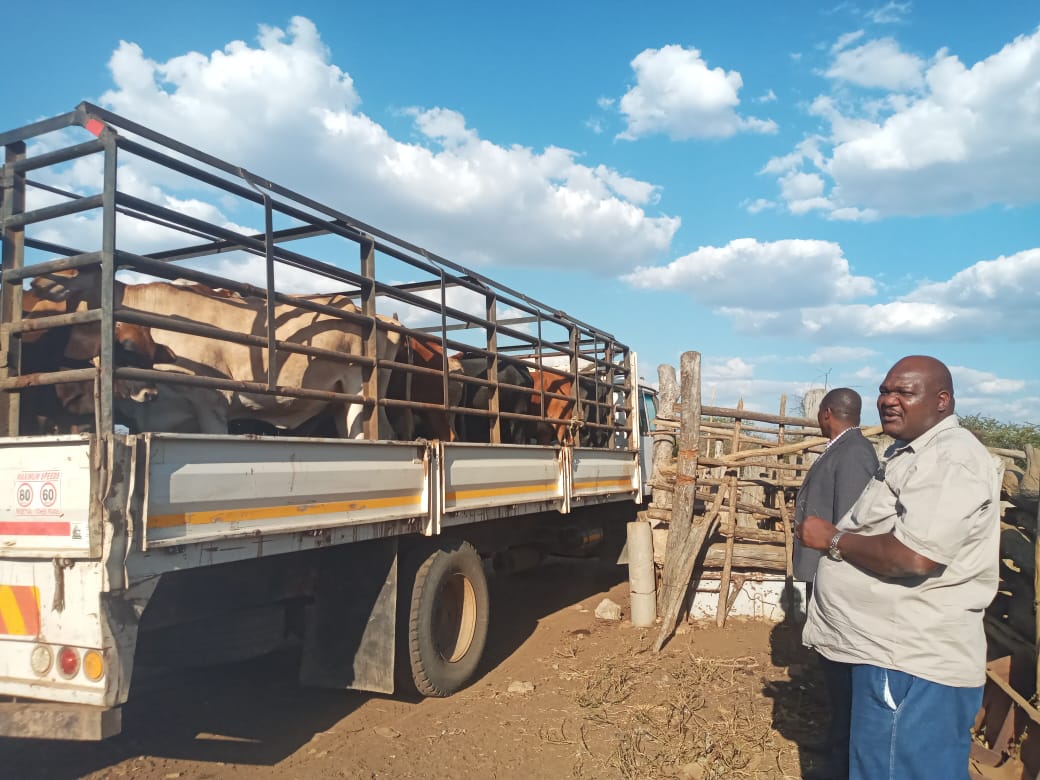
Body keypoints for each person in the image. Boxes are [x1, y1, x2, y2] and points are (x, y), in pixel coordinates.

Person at [797, 355, 1000, 780]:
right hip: (893, 654)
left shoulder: (950, 458)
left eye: (904, 392)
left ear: (943, 401)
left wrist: (832, 539)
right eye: (885, 391)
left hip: (910, 662)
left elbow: (915, 556)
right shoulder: (913, 452)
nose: (889, 400)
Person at [792, 388, 878, 779]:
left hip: (837, 573)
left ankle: (843, 760)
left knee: (843, 671)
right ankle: (836, 743)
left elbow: (854, 522)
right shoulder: (841, 447)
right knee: (831, 666)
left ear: (827, 414)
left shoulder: (855, 453)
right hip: (826, 569)